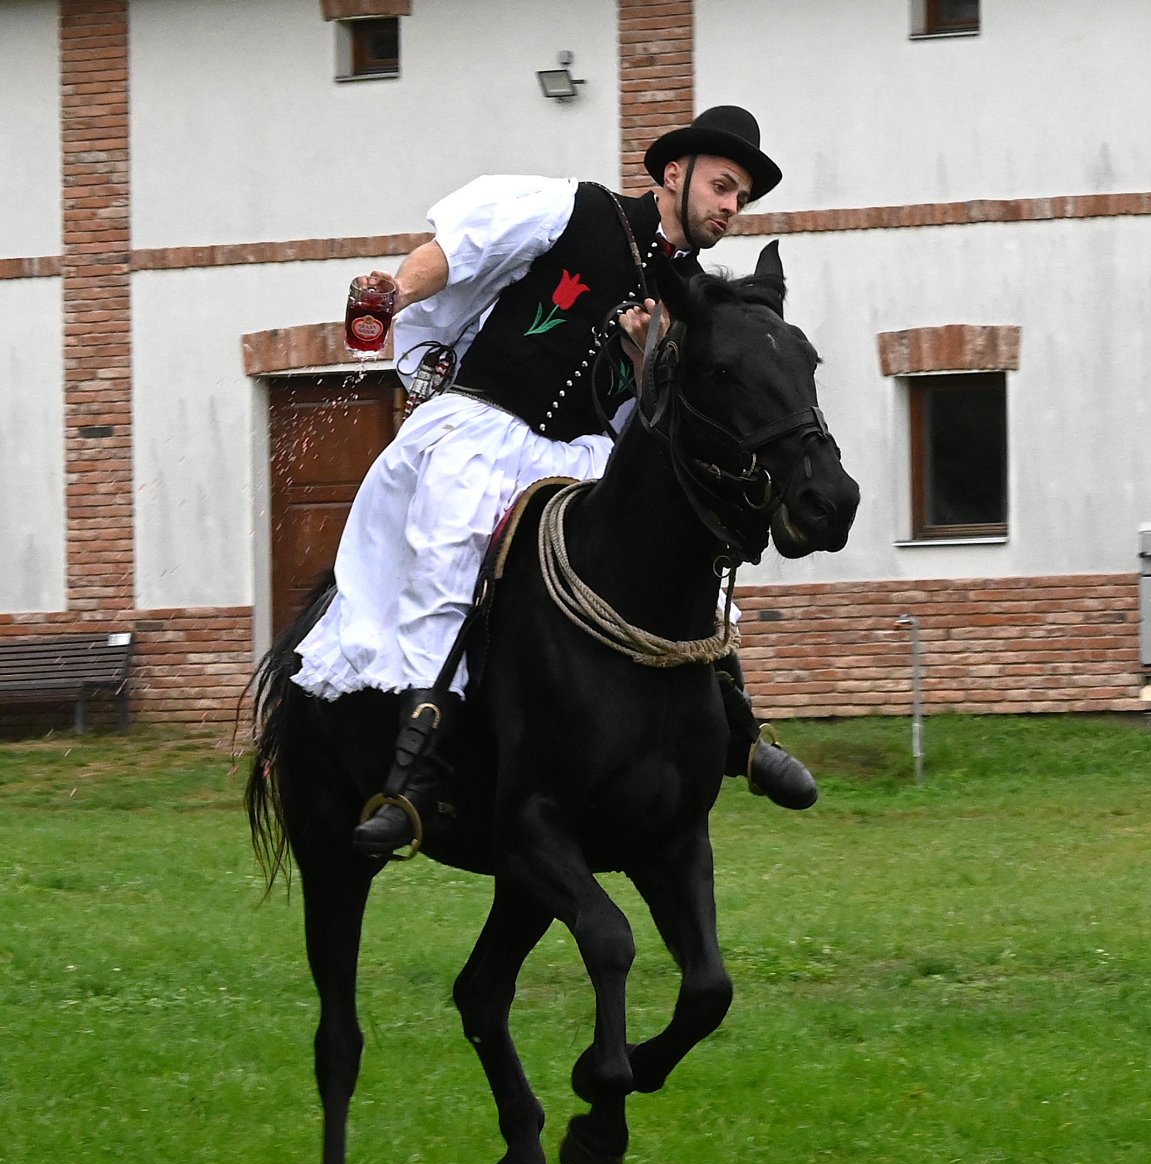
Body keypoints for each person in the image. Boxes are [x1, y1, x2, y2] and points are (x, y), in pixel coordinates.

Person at [292, 104, 818, 859]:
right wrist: (395, 293)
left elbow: (665, 420)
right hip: (485, 434)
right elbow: (462, 249)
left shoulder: (691, 299)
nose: (732, 209)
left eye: (741, 199)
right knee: (448, 568)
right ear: (677, 173)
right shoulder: (575, 209)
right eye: (724, 188)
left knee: (680, 562)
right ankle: (411, 782)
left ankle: (736, 729)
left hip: (585, 463)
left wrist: (649, 360)